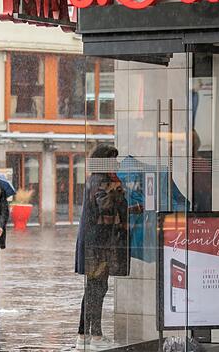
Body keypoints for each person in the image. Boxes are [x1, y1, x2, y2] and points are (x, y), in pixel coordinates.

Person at [75, 145, 129, 351]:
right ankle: (89, 335)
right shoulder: (103, 181)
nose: (116, 164)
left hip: (96, 242)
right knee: (95, 289)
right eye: (113, 160)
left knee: (96, 288)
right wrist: (119, 190)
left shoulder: (96, 179)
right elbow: (106, 207)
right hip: (97, 243)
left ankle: (88, 334)